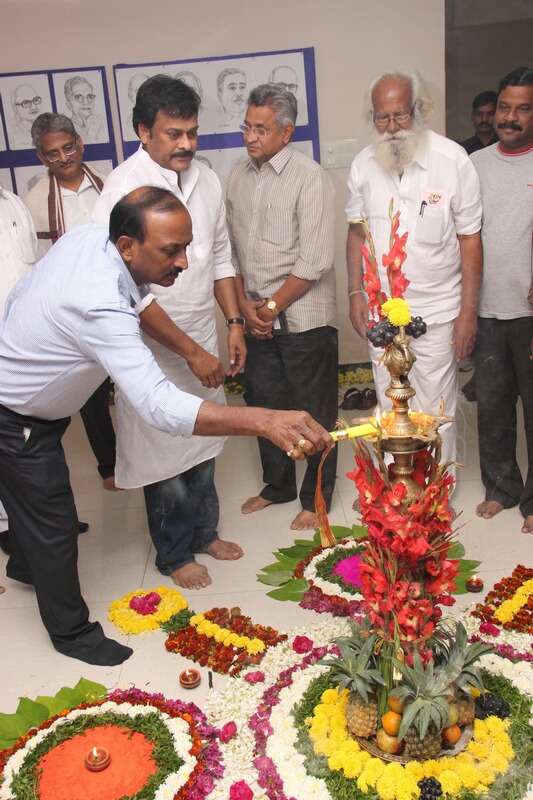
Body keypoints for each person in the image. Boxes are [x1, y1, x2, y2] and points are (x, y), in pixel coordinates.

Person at [0, 186, 331, 663]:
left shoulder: (97, 239)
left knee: (31, 511)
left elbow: (109, 300)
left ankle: (24, 562)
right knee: (54, 524)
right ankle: (71, 633)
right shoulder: (99, 301)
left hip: (31, 405)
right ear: (128, 245)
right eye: (171, 250)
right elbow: (159, 406)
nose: (185, 262)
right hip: (18, 418)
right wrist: (264, 420)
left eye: (186, 246)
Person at [92, 75, 246, 590]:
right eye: (173, 133)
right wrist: (192, 353)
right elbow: (126, 289)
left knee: (205, 437)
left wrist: (234, 323)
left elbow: (220, 255)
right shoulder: (121, 189)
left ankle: (206, 532)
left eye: (193, 133)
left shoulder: (207, 178)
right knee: (163, 448)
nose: (185, 144)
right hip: (150, 346)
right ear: (143, 130)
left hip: (205, 329)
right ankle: (174, 552)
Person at [345, 69, 482, 469]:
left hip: (438, 313)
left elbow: (470, 240)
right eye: (381, 118)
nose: (391, 128)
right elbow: (357, 233)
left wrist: (468, 314)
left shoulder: (452, 161)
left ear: (418, 111)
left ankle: (436, 493)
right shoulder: (363, 165)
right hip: (381, 313)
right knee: (390, 408)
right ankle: (395, 495)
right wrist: (356, 293)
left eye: (400, 115)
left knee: (436, 409)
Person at [226, 84, 338, 531]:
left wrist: (269, 307)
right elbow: (229, 251)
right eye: (247, 127)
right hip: (255, 317)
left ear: (287, 132)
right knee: (266, 406)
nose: (251, 137)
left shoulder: (309, 177)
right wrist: (246, 309)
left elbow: (315, 258)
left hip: (303, 320)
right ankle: (278, 486)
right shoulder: (236, 175)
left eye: (261, 128)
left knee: (313, 411)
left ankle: (316, 496)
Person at [24, 113, 116, 493]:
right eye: (53, 153)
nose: (64, 157)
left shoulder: (108, 186)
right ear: (42, 158)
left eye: (68, 147)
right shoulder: (33, 202)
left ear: (80, 142)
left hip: (115, 292)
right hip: (73, 305)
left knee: (129, 379)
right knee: (91, 391)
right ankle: (109, 464)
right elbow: (39, 263)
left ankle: (142, 453)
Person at [470, 66, 533, 534]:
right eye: (505, 108)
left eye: (521, 109)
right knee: (491, 408)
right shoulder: (476, 165)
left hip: (531, 314)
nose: (509, 118)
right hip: (487, 311)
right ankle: (501, 489)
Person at [0, 182, 38, 575]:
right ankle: (11, 532)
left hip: (19, 344)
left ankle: (29, 532)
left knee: (25, 443)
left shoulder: (11, 201)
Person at [64, 76, 105, 144]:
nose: (86, 102)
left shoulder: (102, 121)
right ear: (69, 104)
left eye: (90, 97)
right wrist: (92, 133)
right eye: (79, 97)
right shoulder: (66, 129)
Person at [460, 90, 498, 155]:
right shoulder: (463, 149)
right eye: (479, 114)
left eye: (490, 114)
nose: (484, 119)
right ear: (472, 116)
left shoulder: (506, 146)